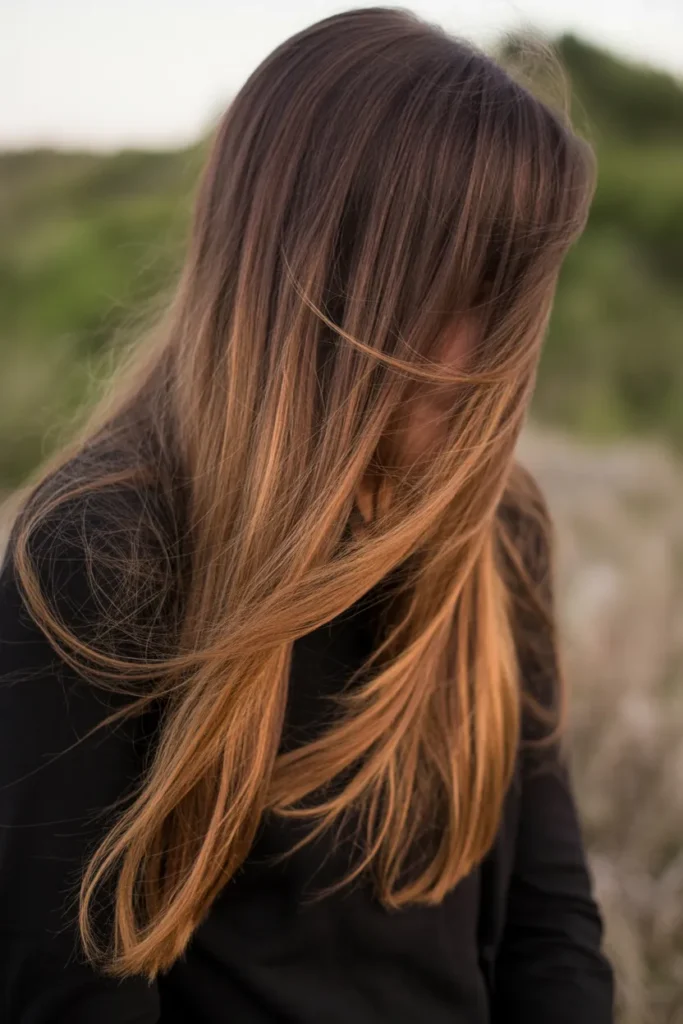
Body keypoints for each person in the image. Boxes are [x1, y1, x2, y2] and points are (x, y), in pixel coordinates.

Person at [0, 7, 614, 1023]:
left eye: (518, 296)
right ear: (332, 285)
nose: (503, 353)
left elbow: (551, 928)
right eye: (469, 291)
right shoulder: (100, 558)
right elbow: (67, 992)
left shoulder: (496, 532)